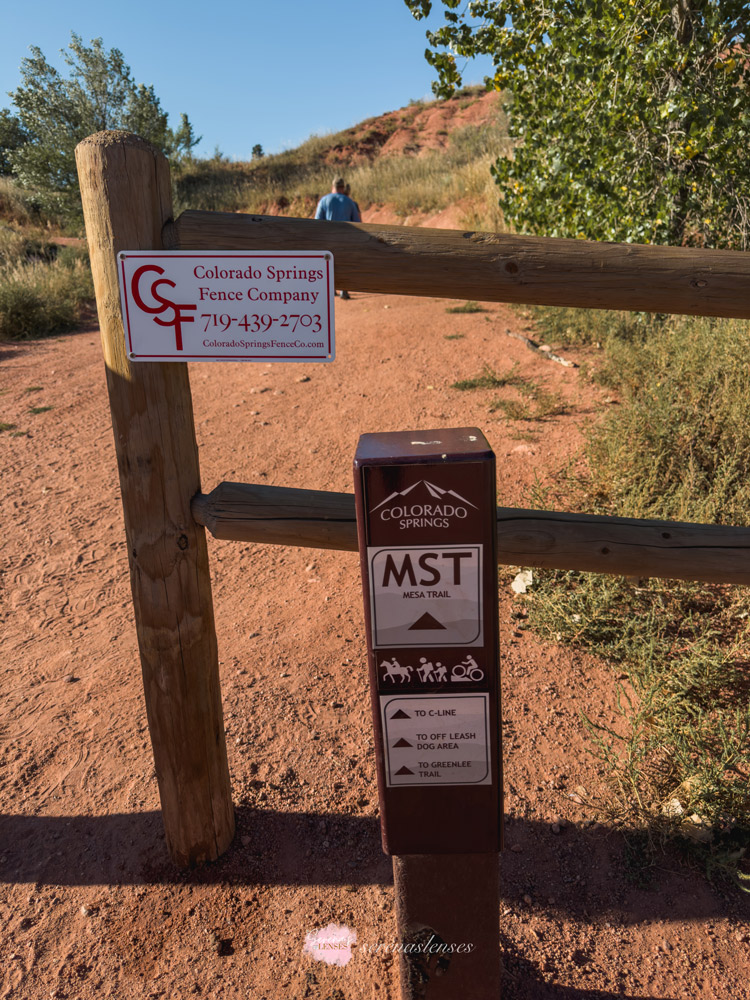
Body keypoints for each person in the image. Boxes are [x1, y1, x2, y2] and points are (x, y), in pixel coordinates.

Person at [314, 177, 361, 299]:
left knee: (330, 264)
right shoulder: (349, 202)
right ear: (343, 187)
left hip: (328, 238)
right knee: (344, 263)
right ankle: (343, 290)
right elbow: (358, 222)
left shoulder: (324, 200)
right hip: (345, 239)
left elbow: (317, 222)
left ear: (332, 186)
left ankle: (332, 289)